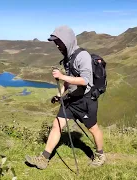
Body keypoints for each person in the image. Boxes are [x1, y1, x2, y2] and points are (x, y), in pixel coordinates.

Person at [25, 25, 106, 169]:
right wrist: (59, 94)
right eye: (56, 43)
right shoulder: (68, 57)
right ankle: (44, 159)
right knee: (57, 124)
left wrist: (61, 75)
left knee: (93, 128)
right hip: (72, 99)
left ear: (67, 40)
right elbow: (69, 81)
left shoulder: (82, 56)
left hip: (85, 100)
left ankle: (100, 156)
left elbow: (85, 80)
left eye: (59, 42)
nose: (57, 46)